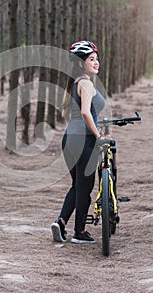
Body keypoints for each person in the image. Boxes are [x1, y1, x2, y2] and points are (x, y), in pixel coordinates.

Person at [51, 40, 105, 244]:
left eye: (97, 59)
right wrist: (98, 135)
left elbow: (68, 113)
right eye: (92, 59)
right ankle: (80, 233)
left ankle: (60, 222)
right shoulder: (86, 84)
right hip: (84, 141)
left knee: (76, 185)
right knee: (85, 187)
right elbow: (84, 112)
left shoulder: (74, 83)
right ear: (82, 63)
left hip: (69, 140)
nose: (96, 62)